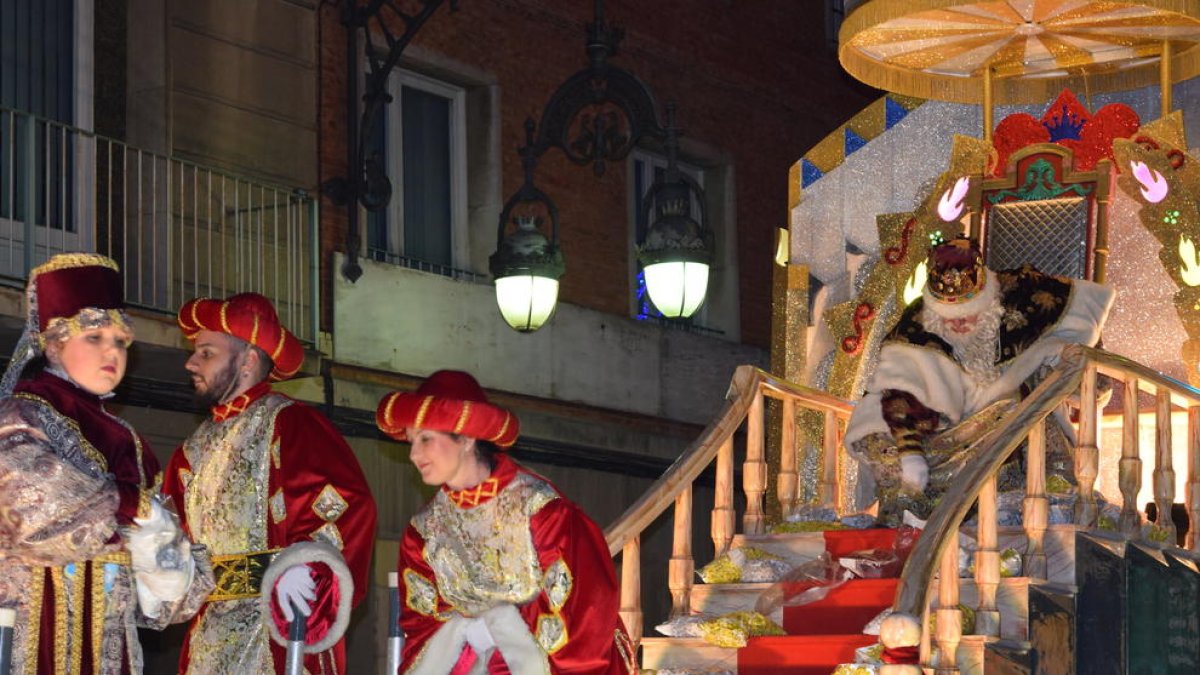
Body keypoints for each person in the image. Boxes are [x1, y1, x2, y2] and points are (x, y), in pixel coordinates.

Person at [0, 253, 210, 674]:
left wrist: (161, 555)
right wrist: (131, 508)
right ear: (55, 344)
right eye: (94, 338)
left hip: (108, 637)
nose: (111, 351)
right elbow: (32, 507)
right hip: (31, 621)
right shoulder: (21, 414)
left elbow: (164, 584)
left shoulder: (129, 441)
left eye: (120, 341)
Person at [162, 292, 377, 674]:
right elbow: (169, 535)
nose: (190, 362)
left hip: (275, 624)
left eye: (206, 353)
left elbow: (345, 505)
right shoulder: (191, 450)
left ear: (247, 360)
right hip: (208, 638)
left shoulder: (292, 424)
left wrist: (305, 564)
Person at [376, 370, 638, 674]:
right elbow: (421, 619)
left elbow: (582, 607)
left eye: (425, 439)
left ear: (466, 438)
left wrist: (502, 632)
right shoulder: (423, 532)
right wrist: (462, 634)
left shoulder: (542, 510)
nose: (413, 454)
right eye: (410, 441)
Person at [844, 237, 1115, 526]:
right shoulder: (916, 324)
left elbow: (1085, 354)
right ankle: (913, 523)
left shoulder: (1023, 294)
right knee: (874, 434)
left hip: (1007, 418)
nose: (959, 324)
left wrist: (1065, 353)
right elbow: (899, 388)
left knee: (1018, 408)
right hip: (939, 423)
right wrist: (910, 451)